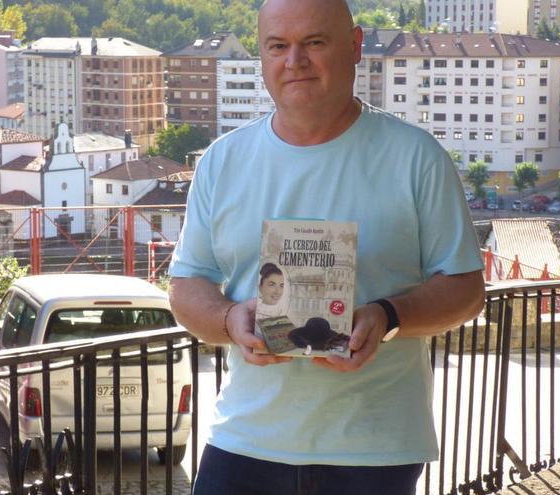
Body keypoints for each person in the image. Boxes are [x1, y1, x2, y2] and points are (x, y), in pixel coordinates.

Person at [167, 0, 486, 493]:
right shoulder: (221, 162)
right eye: (278, 46)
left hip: (374, 450)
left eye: (314, 42)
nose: (295, 60)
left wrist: (387, 316)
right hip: (243, 440)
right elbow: (186, 285)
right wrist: (231, 320)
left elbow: (466, 290)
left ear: (355, 46)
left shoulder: (416, 157)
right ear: (262, 55)